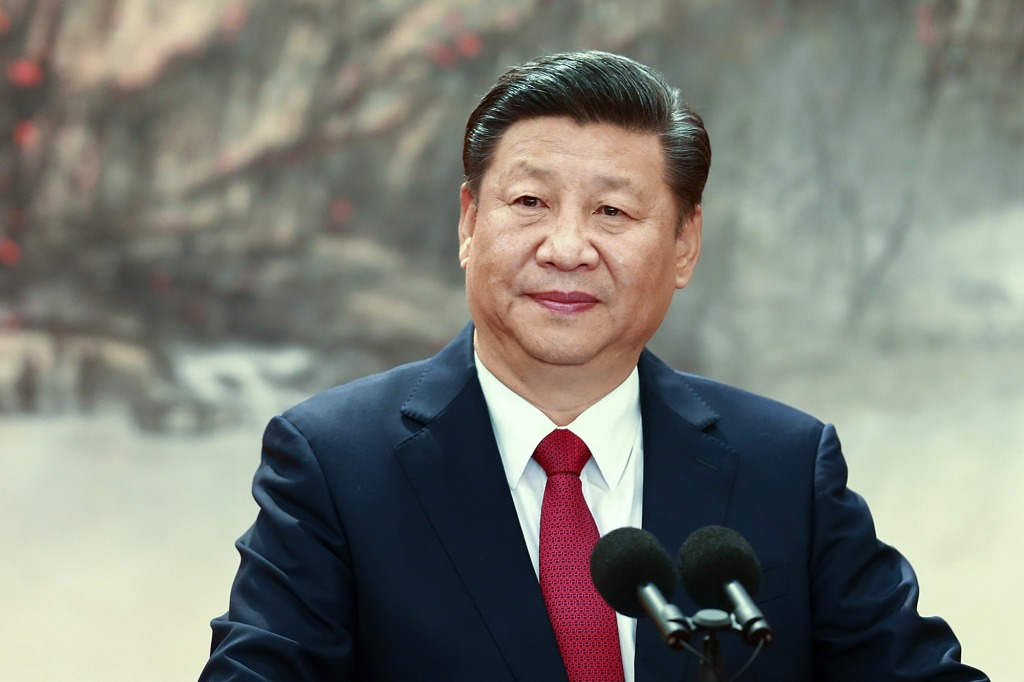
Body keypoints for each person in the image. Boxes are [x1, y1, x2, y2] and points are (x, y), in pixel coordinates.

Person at [200, 51, 987, 681]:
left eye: (612, 212)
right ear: (470, 222)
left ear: (684, 245)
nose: (567, 248)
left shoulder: (785, 465)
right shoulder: (336, 464)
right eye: (530, 204)